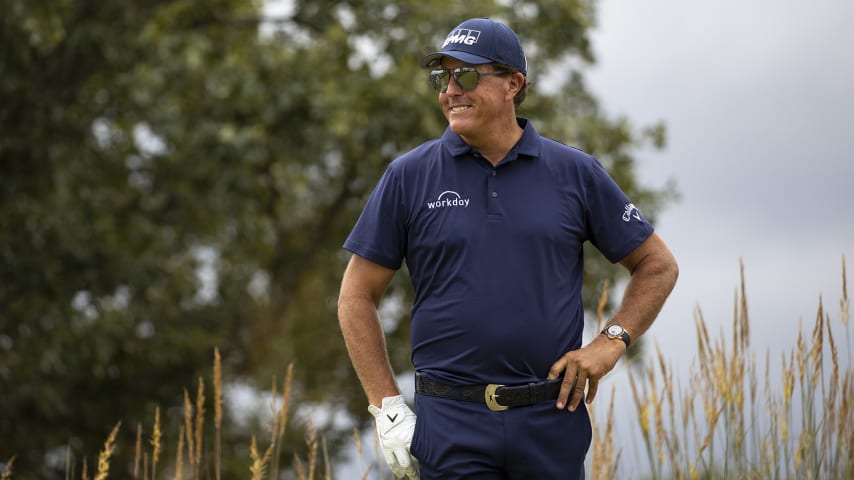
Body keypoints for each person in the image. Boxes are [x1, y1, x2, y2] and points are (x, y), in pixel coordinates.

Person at [337, 17, 678, 480]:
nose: (451, 90)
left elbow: (657, 265)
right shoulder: (408, 176)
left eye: (469, 75)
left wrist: (609, 342)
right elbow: (356, 295)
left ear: (513, 84)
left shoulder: (574, 172)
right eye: (443, 77)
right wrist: (387, 405)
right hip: (451, 421)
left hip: (550, 417)